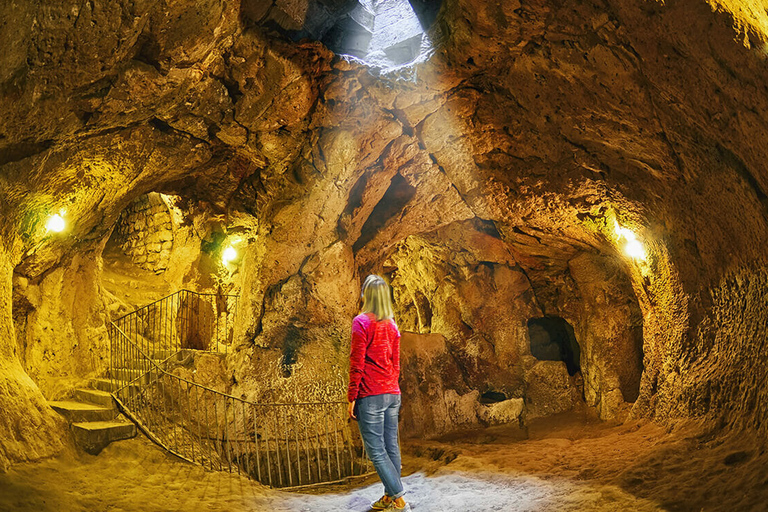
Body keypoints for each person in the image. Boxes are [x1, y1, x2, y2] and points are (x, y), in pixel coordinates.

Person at [347, 275, 411, 511]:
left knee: (376, 450)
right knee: (391, 446)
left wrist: (352, 397)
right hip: (392, 393)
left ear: (366, 295)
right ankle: (388, 497)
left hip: (370, 394)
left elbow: (357, 363)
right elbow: (396, 364)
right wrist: (391, 387)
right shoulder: (392, 325)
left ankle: (399, 500)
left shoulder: (361, 323)